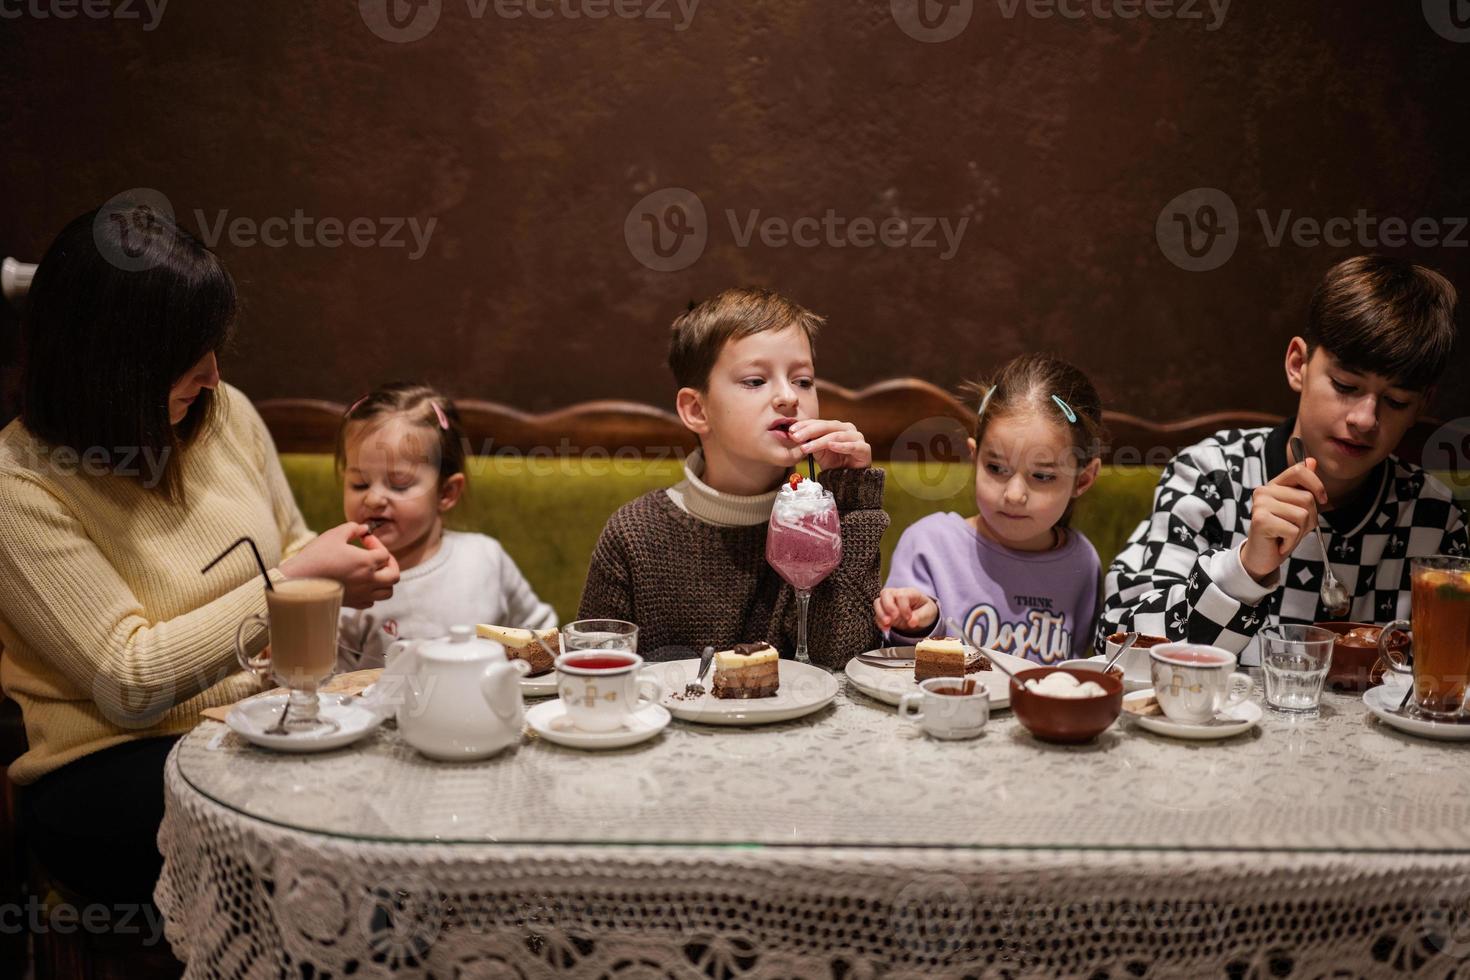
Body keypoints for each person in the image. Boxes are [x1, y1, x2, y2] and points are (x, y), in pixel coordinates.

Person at [0, 201, 398, 906]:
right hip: (109, 769)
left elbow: (296, 543)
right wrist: (297, 582)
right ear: (109, 362)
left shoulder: (223, 413)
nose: (214, 374)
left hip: (262, 720)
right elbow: (126, 683)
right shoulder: (19, 484)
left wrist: (348, 560)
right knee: (333, 855)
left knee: (404, 803)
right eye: (188, 353)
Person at [1099, 255, 1466, 663]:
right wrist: (1244, 571)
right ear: (1298, 365)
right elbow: (1118, 641)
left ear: (1422, 405)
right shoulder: (1212, 476)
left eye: (1396, 401)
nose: (1364, 419)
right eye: (1345, 385)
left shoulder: (1433, 517)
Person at [578, 287, 888, 667]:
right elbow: (593, 670)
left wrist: (852, 496)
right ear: (697, 410)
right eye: (756, 381)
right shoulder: (636, 534)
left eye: (803, 380)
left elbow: (842, 661)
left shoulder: (819, 519)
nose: (789, 397)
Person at [874, 353, 1104, 662]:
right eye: (996, 468)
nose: (1014, 494)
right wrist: (918, 624)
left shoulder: (1083, 563)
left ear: (1083, 479)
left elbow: (1072, 668)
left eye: (1042, 476)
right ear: (974, 456)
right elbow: (892, 657)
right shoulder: (930, 544)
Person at [335, 381, 556, 669]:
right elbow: (334, 690)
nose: (374, 498)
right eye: (359, 483)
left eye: (399, 485)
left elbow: (541, 639)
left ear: (446, 493)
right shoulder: (349, 585)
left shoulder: (485, 558)